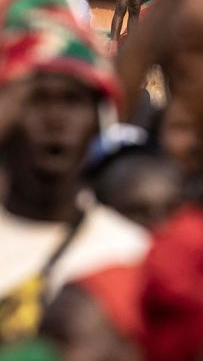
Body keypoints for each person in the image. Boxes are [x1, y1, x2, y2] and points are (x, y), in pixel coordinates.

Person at [0, 73, 149, 343]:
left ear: (98, 122)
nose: (55, 120)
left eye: (73, 101)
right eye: (36, 100)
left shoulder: (128, 251)